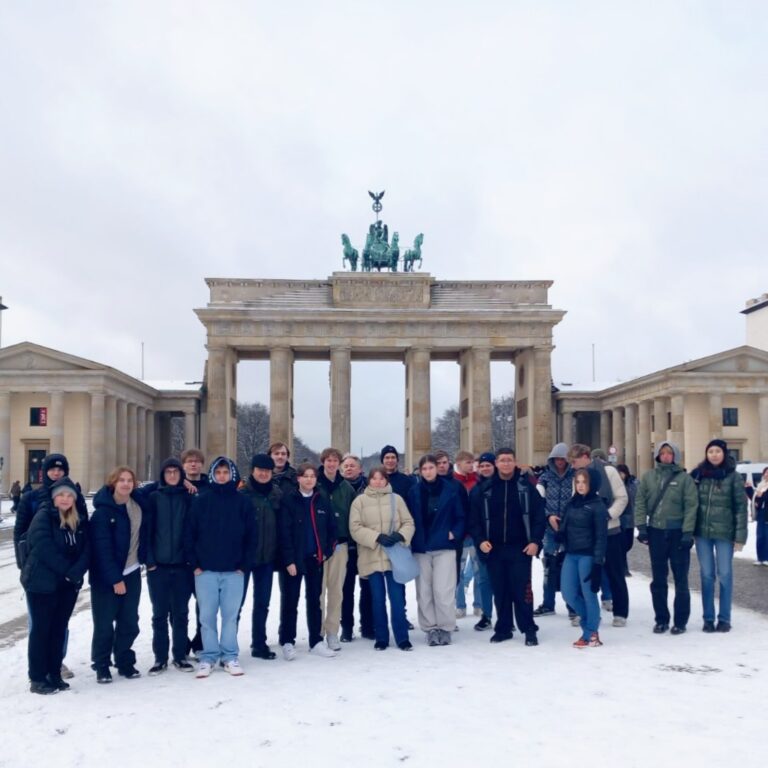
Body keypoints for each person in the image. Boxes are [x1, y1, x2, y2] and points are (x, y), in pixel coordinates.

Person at [184, 457, 255, 678]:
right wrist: (194, 564)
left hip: (234, 570)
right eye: (219, 472)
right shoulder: (201, 501)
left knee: (230, 615)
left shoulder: (243, 502)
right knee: (206, 616)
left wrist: (244, 564)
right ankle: (208, 656)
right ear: (213, 474)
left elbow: (252, 536)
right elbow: (190, 534)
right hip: (206, 570)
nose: (222, 476)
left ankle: (229, 655)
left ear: (232, 475)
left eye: (226, 472)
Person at [469, 448, 545, 646]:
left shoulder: (526, 487)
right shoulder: (484, 489)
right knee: (500, 590)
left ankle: (528, 628)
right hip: (493, 548)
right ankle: (503, 628)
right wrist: (479, 540)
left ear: (515, 462)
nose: (505, 464)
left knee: (522, 591)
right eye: (502, 460)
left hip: (520, 548)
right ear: (496, 464)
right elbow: (474, 519)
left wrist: (535, 541)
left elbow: (538, 516)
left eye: (509, 460)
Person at [21, 478, 89, 694]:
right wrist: (69, 572)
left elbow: (87, 548)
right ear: (54, 497)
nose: (65, 499)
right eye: (61, 495)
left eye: (70, 495)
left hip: (66, 585)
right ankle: (38, 678)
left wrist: (78, 571)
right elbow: (43, 547)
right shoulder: (43, 516)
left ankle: (54, 673)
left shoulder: (78, 519)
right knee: (41, 631)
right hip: (41, 583)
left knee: (58, 629)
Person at [90, 466, 148, 683]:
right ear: (112, 483)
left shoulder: (138, 505)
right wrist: (115, 579)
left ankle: (124, 661)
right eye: (121, 480)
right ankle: (102, 665)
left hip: (132, 571)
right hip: (107, 577)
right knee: (104, 624)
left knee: (129, 621)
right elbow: (101, 550)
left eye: (129, 480)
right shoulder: (102, 513)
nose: (125, 484)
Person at [634, 441, 698, 635]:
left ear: (675, 456)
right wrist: (641, 526)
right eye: (662, 453)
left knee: (681, 579)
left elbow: (691, 506)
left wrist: (688, 532)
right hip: (656, 532)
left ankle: (680, 621)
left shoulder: (684, 479)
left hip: (678, 533)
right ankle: (661, 619)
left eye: (669, 453)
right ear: (658, 456)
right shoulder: (649, 477)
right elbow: (640, 502)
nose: (666, 456)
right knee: (659, 579)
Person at [349, 466, 415, 651]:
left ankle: (402, 637)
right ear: (369, 480)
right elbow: (355, 527)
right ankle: (381, 637)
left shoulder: (397, 499)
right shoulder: (359, 501)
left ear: (386, 480)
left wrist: (400, 535)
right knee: (377, 600)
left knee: (397, 599)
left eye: (381, 478)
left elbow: (408, 522)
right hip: (372, 555)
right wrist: (375, 537)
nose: (378, 482)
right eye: (374, 478)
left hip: (394, 557)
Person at [278, 462, 338, 660]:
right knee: (290, 601)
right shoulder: (289, 500)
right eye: (306, 476)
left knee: (314, 601)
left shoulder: (321, 500)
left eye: (312, 476)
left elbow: (331, 528)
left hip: (315, 558)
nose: (309, 479)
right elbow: (284, 533)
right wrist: (289, 560)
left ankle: (316, 640)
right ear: (299, 478)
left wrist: (327, 551)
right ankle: (287, 640)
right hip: (294, 560)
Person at [690, 439, 748, 633]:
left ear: (724, 454)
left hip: (725, 533)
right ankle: (708, 618)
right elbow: (690, 504)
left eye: (717, 451)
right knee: (706, 575)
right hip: (703, 534)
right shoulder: (698, 475)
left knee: (724, 574)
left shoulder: (733, 477)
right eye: (710, 451)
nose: (714, 454)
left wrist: (740, 537)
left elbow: (741, 508)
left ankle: (724, 618)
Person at [144, 458, 195, 675]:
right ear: (162, 475)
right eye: (168, 472)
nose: (172, 475)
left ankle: (180, 655)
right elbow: (146, 531)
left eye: (176, 472)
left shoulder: (189, 497)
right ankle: (160, 658)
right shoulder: (153, 497)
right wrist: (150, 561)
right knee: (159, 615)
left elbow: (195, 530)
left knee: (181, 613)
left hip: (183, 566)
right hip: (159, 566)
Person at [569, 445, 629, 628]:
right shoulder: (578, 477)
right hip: (588, 534)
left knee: (615, 573)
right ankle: (586, 611)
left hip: (610, 530)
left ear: (585, 457)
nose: (572, 466)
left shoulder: (609, 471)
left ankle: (620, 612)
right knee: (586, 575)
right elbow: (575, 501)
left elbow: (622, 497)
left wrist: (608, 515)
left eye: (574, 461)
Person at [407, 454, 464, 646]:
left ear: (437, 469)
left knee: (443, 590)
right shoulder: (414, 491)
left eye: (431, 468)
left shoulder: (451, 489)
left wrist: (454, 533)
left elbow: (461, 516)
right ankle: (430, 628)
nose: (428, 471)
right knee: (424, 590)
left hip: (444, 546)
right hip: (421, 547)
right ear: (420, 471)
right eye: (424, 469)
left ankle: (446, 627)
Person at [556, 468, 608, 648]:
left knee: (589, 594)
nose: (580, 486)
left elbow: (601, 536)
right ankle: (590, 620)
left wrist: (598, 563)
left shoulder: (598, 506)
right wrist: (560, 535)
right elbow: (565, 524)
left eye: (584, 482)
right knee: (567, 592)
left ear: (591, 484)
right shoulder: (572, 503)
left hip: (588, 555)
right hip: (571, 553)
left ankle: (590, 632)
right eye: (577, 482)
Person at [239, 453, 283, 660]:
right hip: (244, 559)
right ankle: (229, 645)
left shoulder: (277, 494)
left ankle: (259, 643)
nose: (264, 474)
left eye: (267, 471)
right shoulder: (242, 494)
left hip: (267, 558)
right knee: (236, 604)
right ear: (252, 471)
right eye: (260, 470)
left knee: (262, 603)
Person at [316, 448, 356, 651]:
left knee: (336, 591)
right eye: (328, 460)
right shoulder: (314, 482)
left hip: (340, 545)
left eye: (335, 460)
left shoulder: (346, 487)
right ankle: (318, 632)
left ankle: (332, 631)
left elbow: (353, 515)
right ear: (323, 462)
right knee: (318, 592)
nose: (331, 464)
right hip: (318, 546)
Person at [534, 443, 573, 617]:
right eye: (557, 458)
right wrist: (548, 516)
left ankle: (572, 604)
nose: (559, 461)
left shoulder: (576, 476)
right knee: (549, 566)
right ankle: (548, 603)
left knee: (570, 566)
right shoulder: (544, 478)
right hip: (550, 528)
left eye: (562, 458)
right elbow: (537, 501)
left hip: (571, 527)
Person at [340, 454, 373, 641]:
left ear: (360, 469)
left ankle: (367, 625)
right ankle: (346, 627)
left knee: (367, 588)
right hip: (346, 546)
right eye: (346, 466)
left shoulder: (369, 488)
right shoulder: (337, 487)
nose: (349, 468)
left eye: (353, 465)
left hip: (366, 546)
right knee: (346, 590)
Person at [466, 452, 497, 631]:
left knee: (502, 580)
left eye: (488, 465)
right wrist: (479, 539)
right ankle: (486, 614)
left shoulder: (503, 486)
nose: (485, 468)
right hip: (483, 541)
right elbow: (473, 519)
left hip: (502, 541)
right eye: (482, 466)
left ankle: (505, 613)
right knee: (484, 579)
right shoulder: (476, 490)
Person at [616, 464, 638, 576]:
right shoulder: (615, 485)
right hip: (620, 520)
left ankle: (622, 567)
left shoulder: (633, 484)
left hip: (630, 520)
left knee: (629, 544)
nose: (620, 475)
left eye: (622, 472)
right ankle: (623, 568)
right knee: (622, 545)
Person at [754, 467, 768, 566]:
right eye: (765, 472)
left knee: (767, 537)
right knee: (760, 536)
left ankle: (766, 558)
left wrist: (761, 496)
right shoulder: (760, 485)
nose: (767, 474)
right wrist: (749, 489)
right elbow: (757, 501)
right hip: (761, 514)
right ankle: (760, 557)